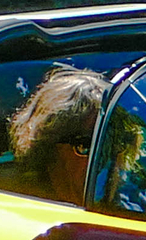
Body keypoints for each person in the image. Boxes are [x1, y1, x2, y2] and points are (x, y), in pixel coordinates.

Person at [6, 67, 110, 204]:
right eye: (86, 145)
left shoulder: (137, 201)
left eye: (114, 142)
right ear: (48, 147)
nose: (105, 158)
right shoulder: (25, 210)